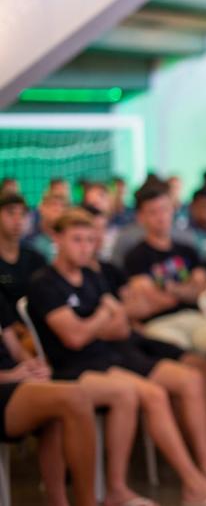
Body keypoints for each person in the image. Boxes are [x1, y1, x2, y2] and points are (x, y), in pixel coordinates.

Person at [29, 208, 206, 506]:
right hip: (74, 366)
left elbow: (119, 328)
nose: (84, 247)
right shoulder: (44, 283)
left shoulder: (92, 276)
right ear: (57, 240)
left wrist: (94, 324)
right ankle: (189, 484)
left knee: (192, 378)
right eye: (76, 239)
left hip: (111, 353)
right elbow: (74, 338)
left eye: (90, 240)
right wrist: (103, 317)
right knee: (152, 395)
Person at [0, 305, 98, 506]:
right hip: (5, 383)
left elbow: (15, 350)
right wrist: (9, 376)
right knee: (74, 396)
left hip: (14, 381)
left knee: (60, 402)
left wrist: (34, 367)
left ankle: (59, 502)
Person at [124, 182, 206, 354]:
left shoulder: (187, 249)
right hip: (159, 323)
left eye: (165, 209)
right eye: (153, 212)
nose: (161, 217)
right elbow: (148, 300)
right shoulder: (135, 257)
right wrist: (186, 290)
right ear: (141, 217)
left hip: (195, 317)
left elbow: (203, 290)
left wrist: (171, 289)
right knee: (182, 356)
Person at [0, 192, 47, 362]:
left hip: (37, 327)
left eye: (23, 214)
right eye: (11, 213)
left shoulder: (36, 258)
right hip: (9, 335)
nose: (18, 220)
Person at [25, 191, 67, 262]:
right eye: (53, 204)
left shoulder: (67, 238)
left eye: (62, 206)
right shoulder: (29, 239)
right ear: (41, 208)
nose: (58, 209)